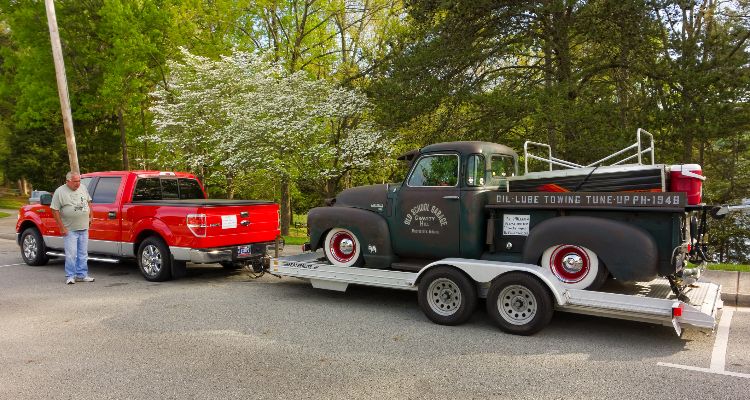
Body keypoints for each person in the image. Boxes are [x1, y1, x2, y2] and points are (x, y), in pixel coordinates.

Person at [51, 171, 94, 285]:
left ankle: (82, 275)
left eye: (79, 181)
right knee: (71, 254)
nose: (78, 183)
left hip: (84, 227)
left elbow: (89, 201)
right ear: (68, 181)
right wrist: (62, 227)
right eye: (75, 181)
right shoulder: (60, 192)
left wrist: (91, 216)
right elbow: (54, 210)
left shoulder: (83, 188)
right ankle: (70, 276)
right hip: (69, 229)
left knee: (83, 253)